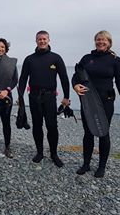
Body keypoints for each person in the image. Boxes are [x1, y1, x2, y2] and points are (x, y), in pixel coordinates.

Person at [72, 30, 120, 178]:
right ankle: (86, 164)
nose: (100, 42)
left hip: (106, 102)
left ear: (109, 42)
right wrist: (75, 86)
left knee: (103, 132)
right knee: (88, 133)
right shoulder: (87, 58)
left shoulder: (115, 60)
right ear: (95, 41)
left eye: (104, 40)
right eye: (98, 39)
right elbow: (76, 75)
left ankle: (101, 167)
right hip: (88, 101)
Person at [18, 30, 70, 167]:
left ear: (48, 40)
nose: (42, 41)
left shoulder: (56, 58)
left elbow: (64, 78)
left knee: (52, 126)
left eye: (44, 39)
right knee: (37, 125)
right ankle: (40, 152)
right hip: (34, 96)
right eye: (39, 39)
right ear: (36, 41)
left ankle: (54, 154)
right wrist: (20, 96)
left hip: (50, 96)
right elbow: (23, 79)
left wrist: (66, 97)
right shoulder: (29, 59)